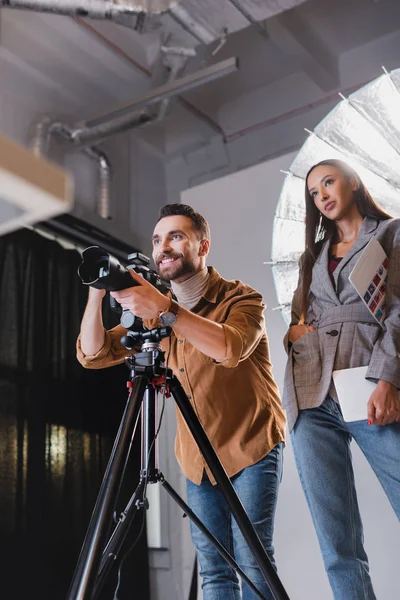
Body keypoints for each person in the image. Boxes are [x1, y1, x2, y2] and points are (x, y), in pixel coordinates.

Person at [77, 203, 286, 600]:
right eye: (157, 239)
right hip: (197, 459)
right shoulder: (154, 314)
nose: (163, 247)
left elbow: (228, 347)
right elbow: (93, 353)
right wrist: (97, 292)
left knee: (253, 562)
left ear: (202, 246)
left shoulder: (243, 299)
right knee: (213, 570)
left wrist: (165, 309)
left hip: (250, 446)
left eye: (176, 236)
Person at [282, 159, 400, 600]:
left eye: (328, 182)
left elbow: (399, 310)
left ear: (352, 181)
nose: (322, 195)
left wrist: (388, 380)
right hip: (311, 390)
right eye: (314, 192)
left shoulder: (390, 234)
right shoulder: (311, 256)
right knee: (336, 542)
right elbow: (301, 317)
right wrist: (292, 332)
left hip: (367, 377)